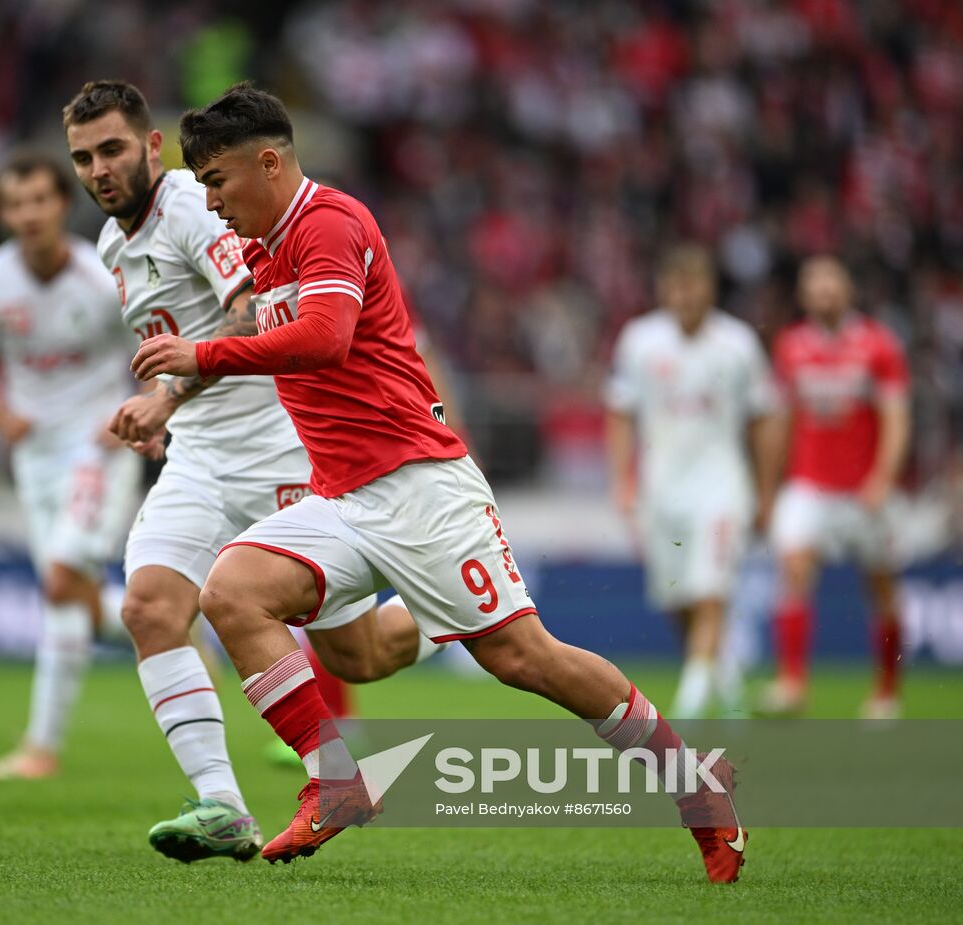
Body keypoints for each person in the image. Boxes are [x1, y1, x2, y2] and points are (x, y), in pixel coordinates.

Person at [131, 83, 747, 883]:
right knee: (239, 594)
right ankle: (337, 778)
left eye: (218, 181)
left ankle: (695, 785)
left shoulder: (329, 223)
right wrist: (170, 395)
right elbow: (254, 326)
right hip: (341, 496)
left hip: (421, 487)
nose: (211, 202)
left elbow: (325, 338)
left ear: (270, 164)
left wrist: (201, 355)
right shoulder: (261, 248)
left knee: (524, 659)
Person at [64, 80, 439, 864]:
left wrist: (164, 397)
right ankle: (224, 806)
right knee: (149, 607)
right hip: (200, 458)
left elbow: (252, 307)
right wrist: (165, 412)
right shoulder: (111, 246)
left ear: (152, 147)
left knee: (359, 656)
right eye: (84, 157)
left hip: (280, 448)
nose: (99, 169)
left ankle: (450, 603)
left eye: (113, 149)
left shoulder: (196, 207)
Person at [0, 149, 141, 781]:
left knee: (61, 583)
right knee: (69, 596)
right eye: (15, 204)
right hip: (34, 458)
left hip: (98, 448)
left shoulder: (103, 278)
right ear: (3, 214)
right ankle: (161, 619)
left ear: (62, 204)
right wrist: (2, 418)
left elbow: (155, 346)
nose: (29, 214)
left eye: (39, 200)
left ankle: (41, 747)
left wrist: (136, 412)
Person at [606, 245, 781, 717]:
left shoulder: (738, 344)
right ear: (663, 289)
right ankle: (722, 678)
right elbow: (620, 413)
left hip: (721, 486)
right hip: (661, 489)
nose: (685, 295)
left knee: (710, 590)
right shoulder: (640, 341)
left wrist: (766, 491)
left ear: (710, 288)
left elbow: (765, 418)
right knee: (677, 599)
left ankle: (689, 708)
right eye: (676, 285)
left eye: (694, 284)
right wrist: (622, 479)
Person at [762, 256, 911, 719]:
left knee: (881, 586)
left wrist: (883, 478)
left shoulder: (878, 345)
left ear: (848, 289)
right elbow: (782, 420)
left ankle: (886, 692)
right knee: (794, 568)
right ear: (803, 294)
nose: (824, 291)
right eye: (815, 284)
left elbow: (896, 419)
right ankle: (792, 684)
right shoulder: (790, 346)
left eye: (831, 282)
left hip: (865, 489)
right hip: (809, 484)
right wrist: (768, 487)